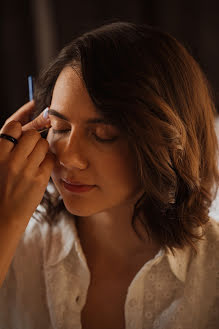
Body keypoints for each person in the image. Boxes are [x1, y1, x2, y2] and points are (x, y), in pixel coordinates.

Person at [0, 20, 219, 329]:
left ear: (163, 141)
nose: (70, 157)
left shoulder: (212, 273)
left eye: (103, 134)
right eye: (60, 128)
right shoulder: (19, 243)